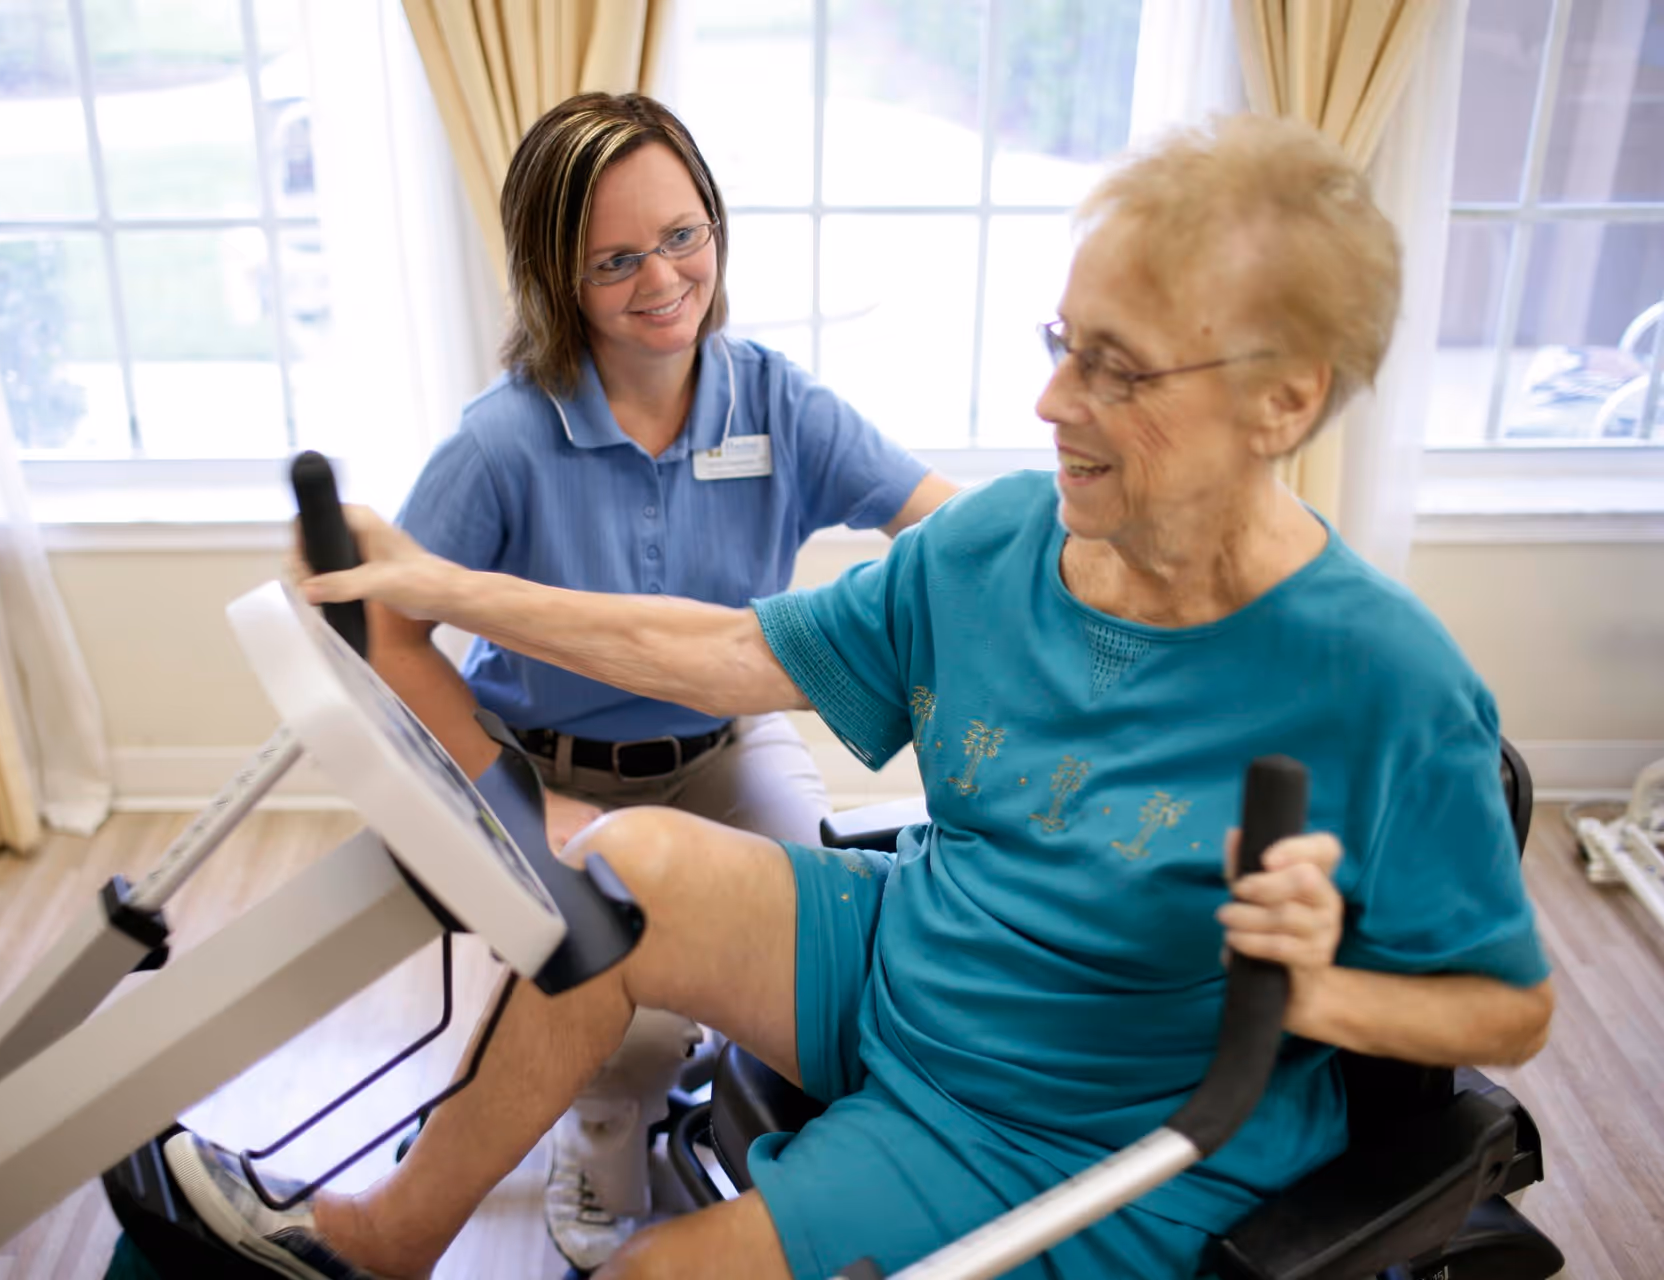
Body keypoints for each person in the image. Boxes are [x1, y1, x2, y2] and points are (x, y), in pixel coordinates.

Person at [169, 113, 1554, 1280]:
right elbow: (724, 651)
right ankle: (385, 1239)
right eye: (1063, 339)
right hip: (910, 955)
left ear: (1284, 404)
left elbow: (1508, 1013)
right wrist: (442, 586)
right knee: (624, 871)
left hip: (1062, 1116)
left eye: (1115, 369)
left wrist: (1320, 990)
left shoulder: (1386, 680)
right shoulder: (1006, 538)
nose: (1050, 399)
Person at [347, 91, 955, 1270]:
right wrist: (520, 803)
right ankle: (605, 1129)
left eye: (683, 236)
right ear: (554, 279)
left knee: (815, 946)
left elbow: (941, 524)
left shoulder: (776, 401)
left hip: (725, 746)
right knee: (616, 992)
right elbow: (383, 627)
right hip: (542, 761)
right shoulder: (503, 441)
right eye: (615, 259)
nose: (663, 279)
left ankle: (785, 1151)